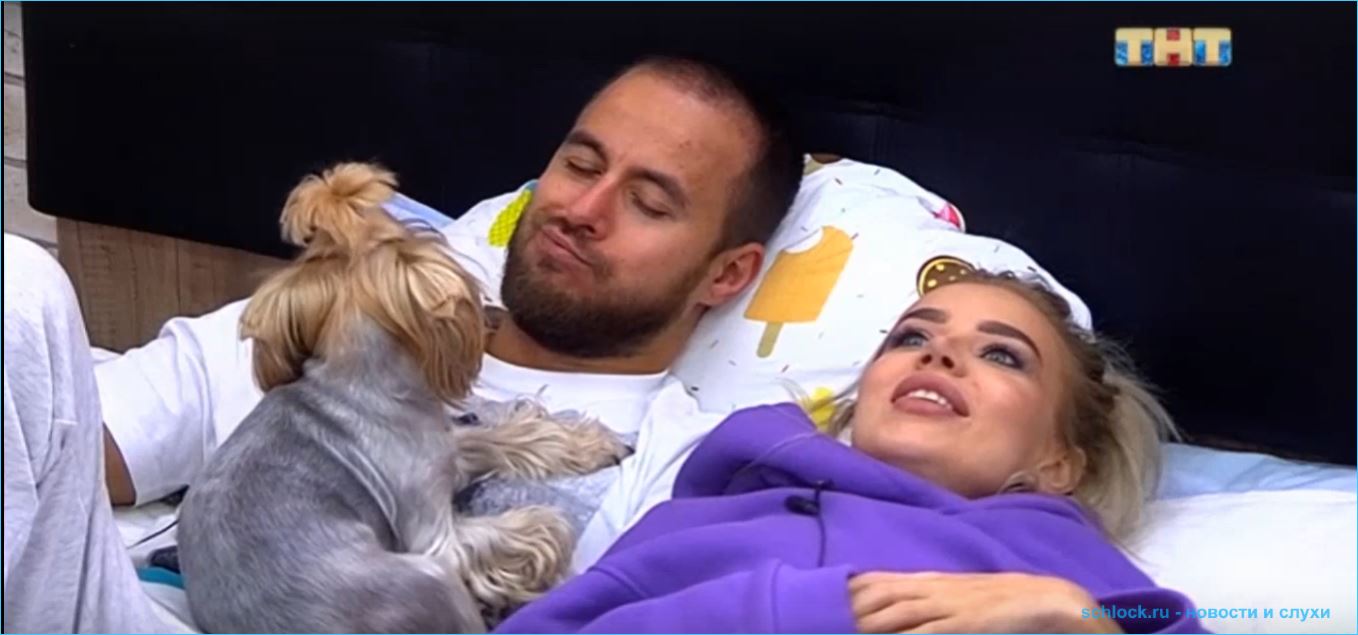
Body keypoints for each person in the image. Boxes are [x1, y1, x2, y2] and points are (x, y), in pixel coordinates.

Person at [3, 55, 802, 633]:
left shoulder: (687, 461)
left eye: (649, 203)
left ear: (726, 274)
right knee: (18, 289)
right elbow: (54, 448)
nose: (582, 209)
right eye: (579, 164)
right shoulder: (342, 308)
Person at [495, 271, 1206, 634]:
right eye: (911, 337)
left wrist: (1076, 616)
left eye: (1001, 355)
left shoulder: (1051, 554)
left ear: (1059, 463)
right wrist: (796, 611)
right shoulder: (710, 514)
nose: (939, 353)